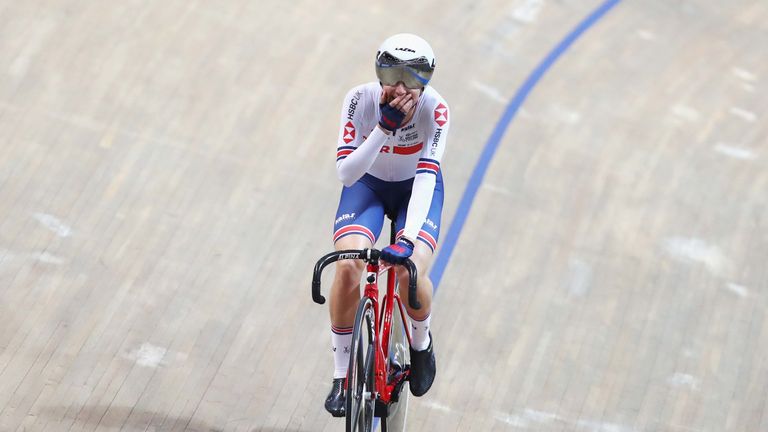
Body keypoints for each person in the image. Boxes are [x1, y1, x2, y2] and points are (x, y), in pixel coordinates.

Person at [324, 33, 450, 417]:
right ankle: (342, 376)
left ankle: (421, 343)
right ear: (378, 72)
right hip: (367, 186)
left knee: (412, 272)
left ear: (425, 81)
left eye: (411, 78)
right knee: (347, 267)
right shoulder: (359, 100)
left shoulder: (436, 110)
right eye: (391, 73)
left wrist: (407, 239)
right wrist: (383, 128)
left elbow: (427, 175)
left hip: (416, 188)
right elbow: (347, 174)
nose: (399, 87)